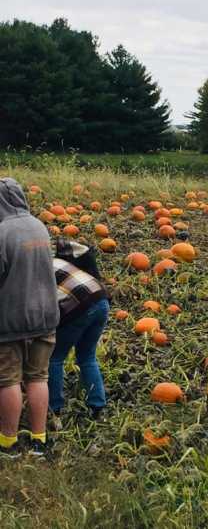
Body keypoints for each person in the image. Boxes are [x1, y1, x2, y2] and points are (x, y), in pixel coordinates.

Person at [0, 178, 60, 458]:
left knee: (8, 380)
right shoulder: (39, 226)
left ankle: (8, 443)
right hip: (46, 314)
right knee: (38, 377)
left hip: (11, 318)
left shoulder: (2, 231)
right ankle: (39, 439)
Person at [49, 240, 110, 421]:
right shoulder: (57, 261)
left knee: (54, 358)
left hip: (79, 306)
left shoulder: (35, 271)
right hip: (101, 299)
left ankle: (55, 407)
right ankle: (97, 406)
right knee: (87, 356)